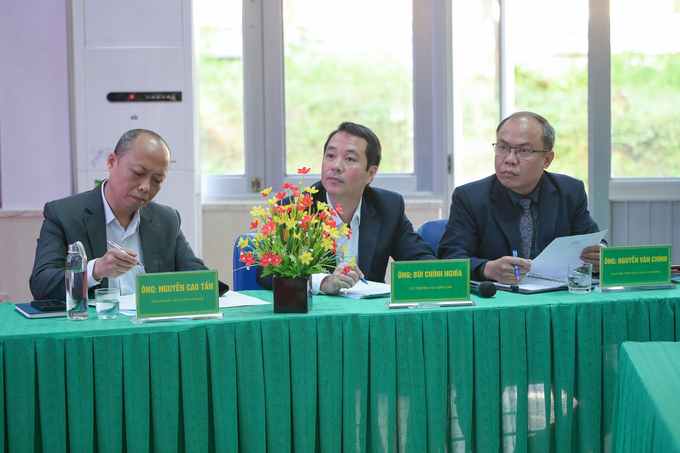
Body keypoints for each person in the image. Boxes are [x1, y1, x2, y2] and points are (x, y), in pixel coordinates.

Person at [257, 121, 437, 295]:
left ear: (370, 174)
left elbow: (421, 261)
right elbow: (266, 273)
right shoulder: (295, 209)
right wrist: (322, 282)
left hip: (369, 318)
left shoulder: (388, 207)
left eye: (350, 159)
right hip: (315, 317)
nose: (336, 166)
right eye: (330, 156)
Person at [30, 129, 210, 301]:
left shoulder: (167, 219)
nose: (145, 187)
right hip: (96, 328)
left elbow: (197, 276)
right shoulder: (63, 214)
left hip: (151, 328)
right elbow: (42, 285)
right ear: (111, 162)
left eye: (157, 180)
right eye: (138, 173)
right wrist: (95, 270)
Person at [438, 111, 605, 285]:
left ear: (547, 159)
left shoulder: (570, 192)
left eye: (523, 151)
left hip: (557, 296)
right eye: (502, 148)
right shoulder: (470, 198)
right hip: (500, 300)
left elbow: (593, 242)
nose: (509, 159)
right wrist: (487, 269)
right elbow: (451, 260)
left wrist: (599, 255)